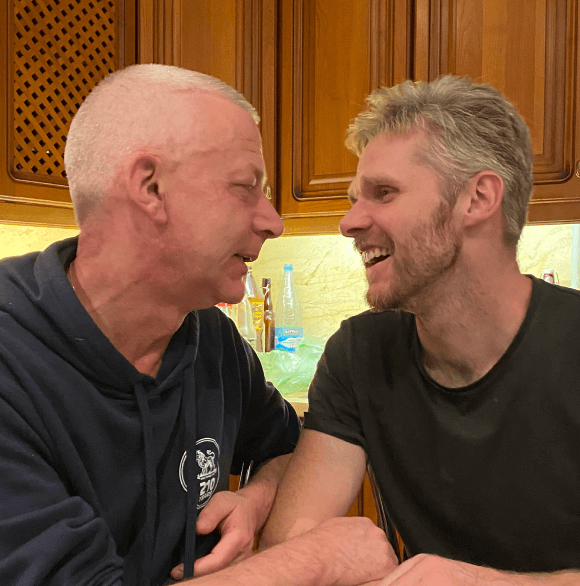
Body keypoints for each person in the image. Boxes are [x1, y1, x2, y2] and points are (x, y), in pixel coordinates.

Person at [0, 63, 390, 586]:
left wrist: (255, 499)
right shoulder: (11, 362)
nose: (273, 221)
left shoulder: (210, 338)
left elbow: (286, 446)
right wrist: (312, 562)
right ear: (151, 187)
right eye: (246, 187)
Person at [261, 75, 580, 584]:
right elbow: (290, 552)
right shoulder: (360, 355)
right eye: (355, 198)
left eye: (383, 193)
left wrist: (481, 583)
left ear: (477, 198)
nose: (348, 222)